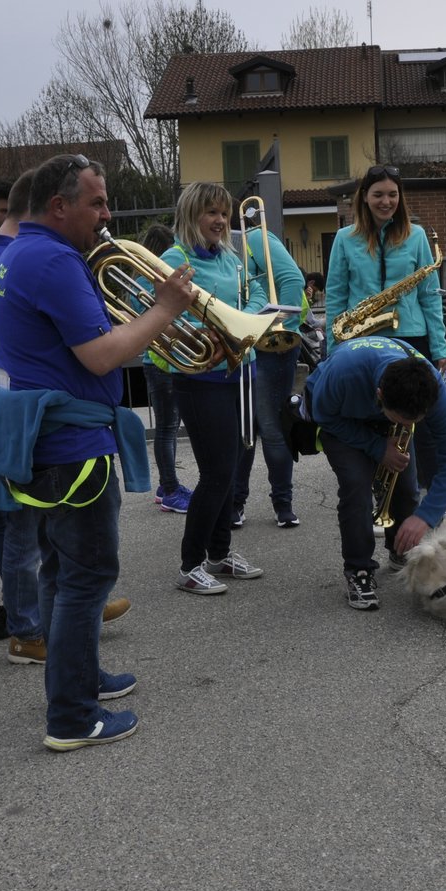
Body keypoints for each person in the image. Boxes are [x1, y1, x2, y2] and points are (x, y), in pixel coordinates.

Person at [0, 153, 196, 751]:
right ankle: (71, 715)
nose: (107, 212)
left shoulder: (19, 253)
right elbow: (100, 355)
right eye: (96, 202)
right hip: (71, 447)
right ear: (59, 206)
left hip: (48, 440)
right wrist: (165, 310)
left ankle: (81, 679)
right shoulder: (51, 258)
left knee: (61, 570)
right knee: (88, 575)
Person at [158, 182, 269, 596]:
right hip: (201, 378)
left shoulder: (229, 256)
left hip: (242, 371)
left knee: (236, 466)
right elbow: (158, 314)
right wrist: (202, 330)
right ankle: (191, 564)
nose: (220, 221)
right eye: (211, 213)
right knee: (217, 472)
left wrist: (250, 316)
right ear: (191, 215)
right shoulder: (175, 258)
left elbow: (254, 289)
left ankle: (220, 554)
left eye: (223, 213)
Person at [305, 336, 446, 611]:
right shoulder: (343, 373)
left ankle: (399, 549)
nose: (409, 426)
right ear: (380, 396)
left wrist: (425, 517)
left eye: (414, 422)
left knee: (406, 489)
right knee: (356, 485)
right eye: (403, 421)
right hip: (340, 418)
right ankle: (358, 570)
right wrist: (378, 448)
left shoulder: (432, 388)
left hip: (382, 410)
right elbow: (323, 414)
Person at [325, 164, 446, 490]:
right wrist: (332, 348)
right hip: (363, 341)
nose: (386, 201)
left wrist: (439, 346)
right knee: (372, 420)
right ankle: (379, 494)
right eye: (378, 194)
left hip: (411, 337)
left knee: (420, 422)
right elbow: (336, 296)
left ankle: (427, 495)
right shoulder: (344, 238)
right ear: (364, 197)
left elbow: (429, 295)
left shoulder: (417, 236)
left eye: (392, 194)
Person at [231, 213, 307, 529]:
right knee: (242, 431)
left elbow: (292, 280)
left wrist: (275, 330)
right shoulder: (210, 252)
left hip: (270, 345)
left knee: (273, 427)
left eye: (220, 213)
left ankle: (282, 504)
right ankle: (235, 504)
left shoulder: (253, 240)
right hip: (234, 346)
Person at [140, 223, 193, 514]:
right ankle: (170, 489)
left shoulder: (142, 276)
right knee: (167, 429)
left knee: (167, 428)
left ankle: (167, 486)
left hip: (158, 361)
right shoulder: (158, 277)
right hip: (163, 361)